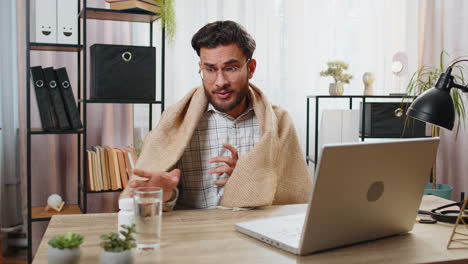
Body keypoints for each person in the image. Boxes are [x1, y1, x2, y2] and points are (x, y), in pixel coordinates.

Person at [120, 20, 311, 210]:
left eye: (231, 68)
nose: (220, 82)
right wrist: (166, 195)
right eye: (210, 69)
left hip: (255, 233)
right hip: (194, 235)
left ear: (250, 68)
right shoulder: (176, 122)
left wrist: (249, 180)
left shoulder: (279, 122)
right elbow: (162, 195)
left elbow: (293, 196)